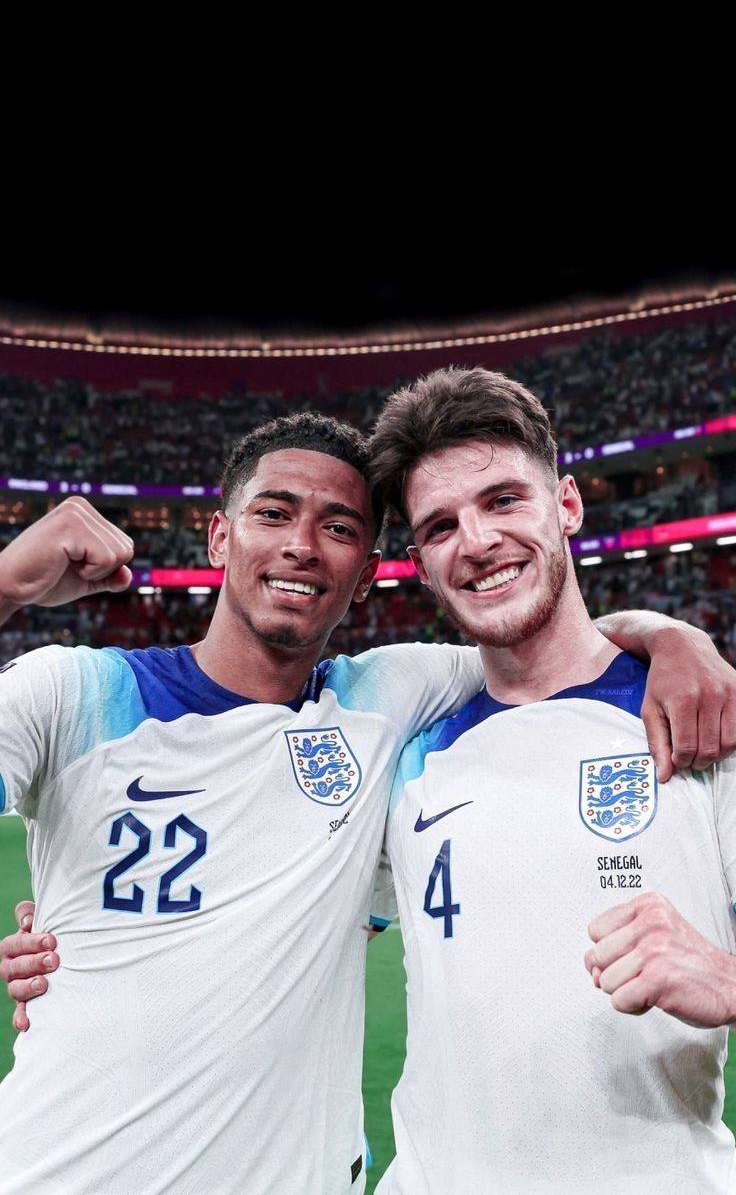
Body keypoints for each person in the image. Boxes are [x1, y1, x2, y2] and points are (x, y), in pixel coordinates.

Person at [1, 412, 734, 1194]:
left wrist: (675, 640)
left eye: (340, 526)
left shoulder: (388, 708)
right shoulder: (69, 692)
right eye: (273, 512)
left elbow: (549, 639)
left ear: (372, 569)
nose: (301, 545)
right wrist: (6, 583)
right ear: (219, 537)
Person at [364, 366, 736, 1192]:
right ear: (422, 562)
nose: (478, 540)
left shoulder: (700, 718)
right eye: (440, 525)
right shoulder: (408, 757)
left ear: (565, 504)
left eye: (504, 500)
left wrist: (728, 977)